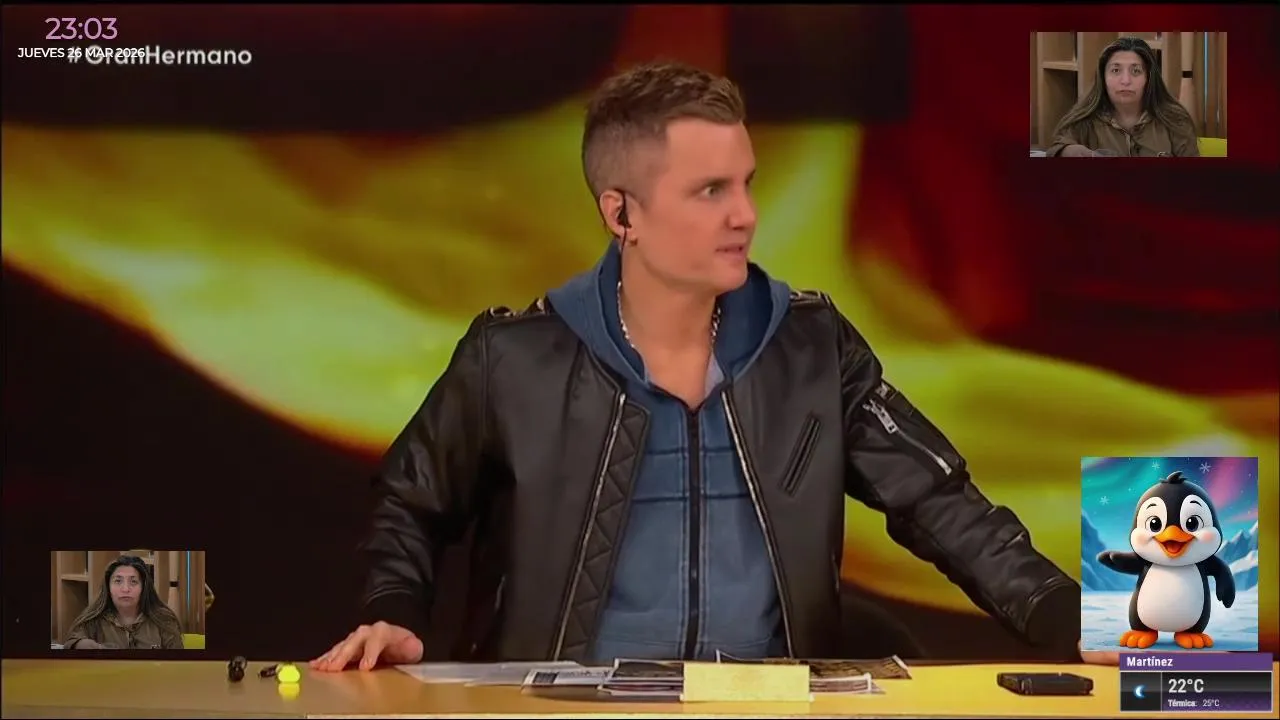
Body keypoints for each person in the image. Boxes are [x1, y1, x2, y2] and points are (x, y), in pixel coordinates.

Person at [314, 60, 1113, 672]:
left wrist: (1070, 619)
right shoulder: (514, 359)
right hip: (561, 709)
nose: (746, 215)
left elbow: (940, 503)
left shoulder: (811, 348)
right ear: (621, 213)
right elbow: (409, 504)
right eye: (710, 191)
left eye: (747, 185)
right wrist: (396, 612)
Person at [1046, 36, 1199, 157]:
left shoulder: (1174, 120)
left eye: (1136, 71)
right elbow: (1055, 150)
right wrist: (1068, 151)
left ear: (1149, 78)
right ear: (1103, 78)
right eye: (1115, 70)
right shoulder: (1084, 121)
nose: (1125, 81)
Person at [62, 555, 185, 650]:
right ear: (108, 587)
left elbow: (179, 665)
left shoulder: (164, 620)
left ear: (144, 587)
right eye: (118, 581)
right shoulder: (92, 621)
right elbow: (70, 643)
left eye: (133, 582)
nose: (125, 589)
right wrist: (80, 644)